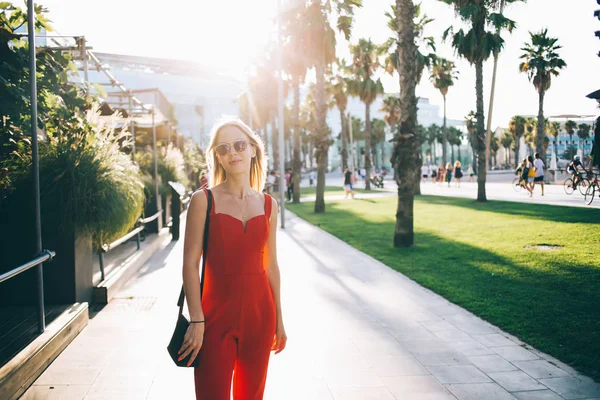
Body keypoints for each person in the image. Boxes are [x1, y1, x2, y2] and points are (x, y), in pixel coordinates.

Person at [180, 116, 287, 399]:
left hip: (260, 317)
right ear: (217, 157)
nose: (233, 153)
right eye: (223, 148)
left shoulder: (269, 205)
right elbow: (190, 265)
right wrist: (196, 320)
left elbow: (271, 266)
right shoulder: (203, 201)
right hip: (213, 320)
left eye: (239, 145)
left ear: (253, 149)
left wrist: (279, 319)